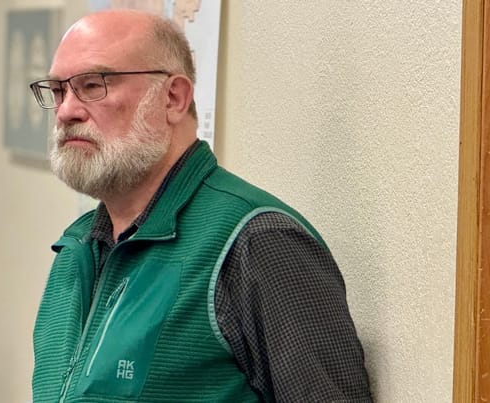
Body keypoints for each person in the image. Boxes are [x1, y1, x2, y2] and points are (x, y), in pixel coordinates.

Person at [29, 9, 372, 403]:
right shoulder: (76, 249)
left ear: (173, 97)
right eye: (58, 90)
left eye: (92, 85)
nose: (66, 111)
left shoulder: (258, 242)